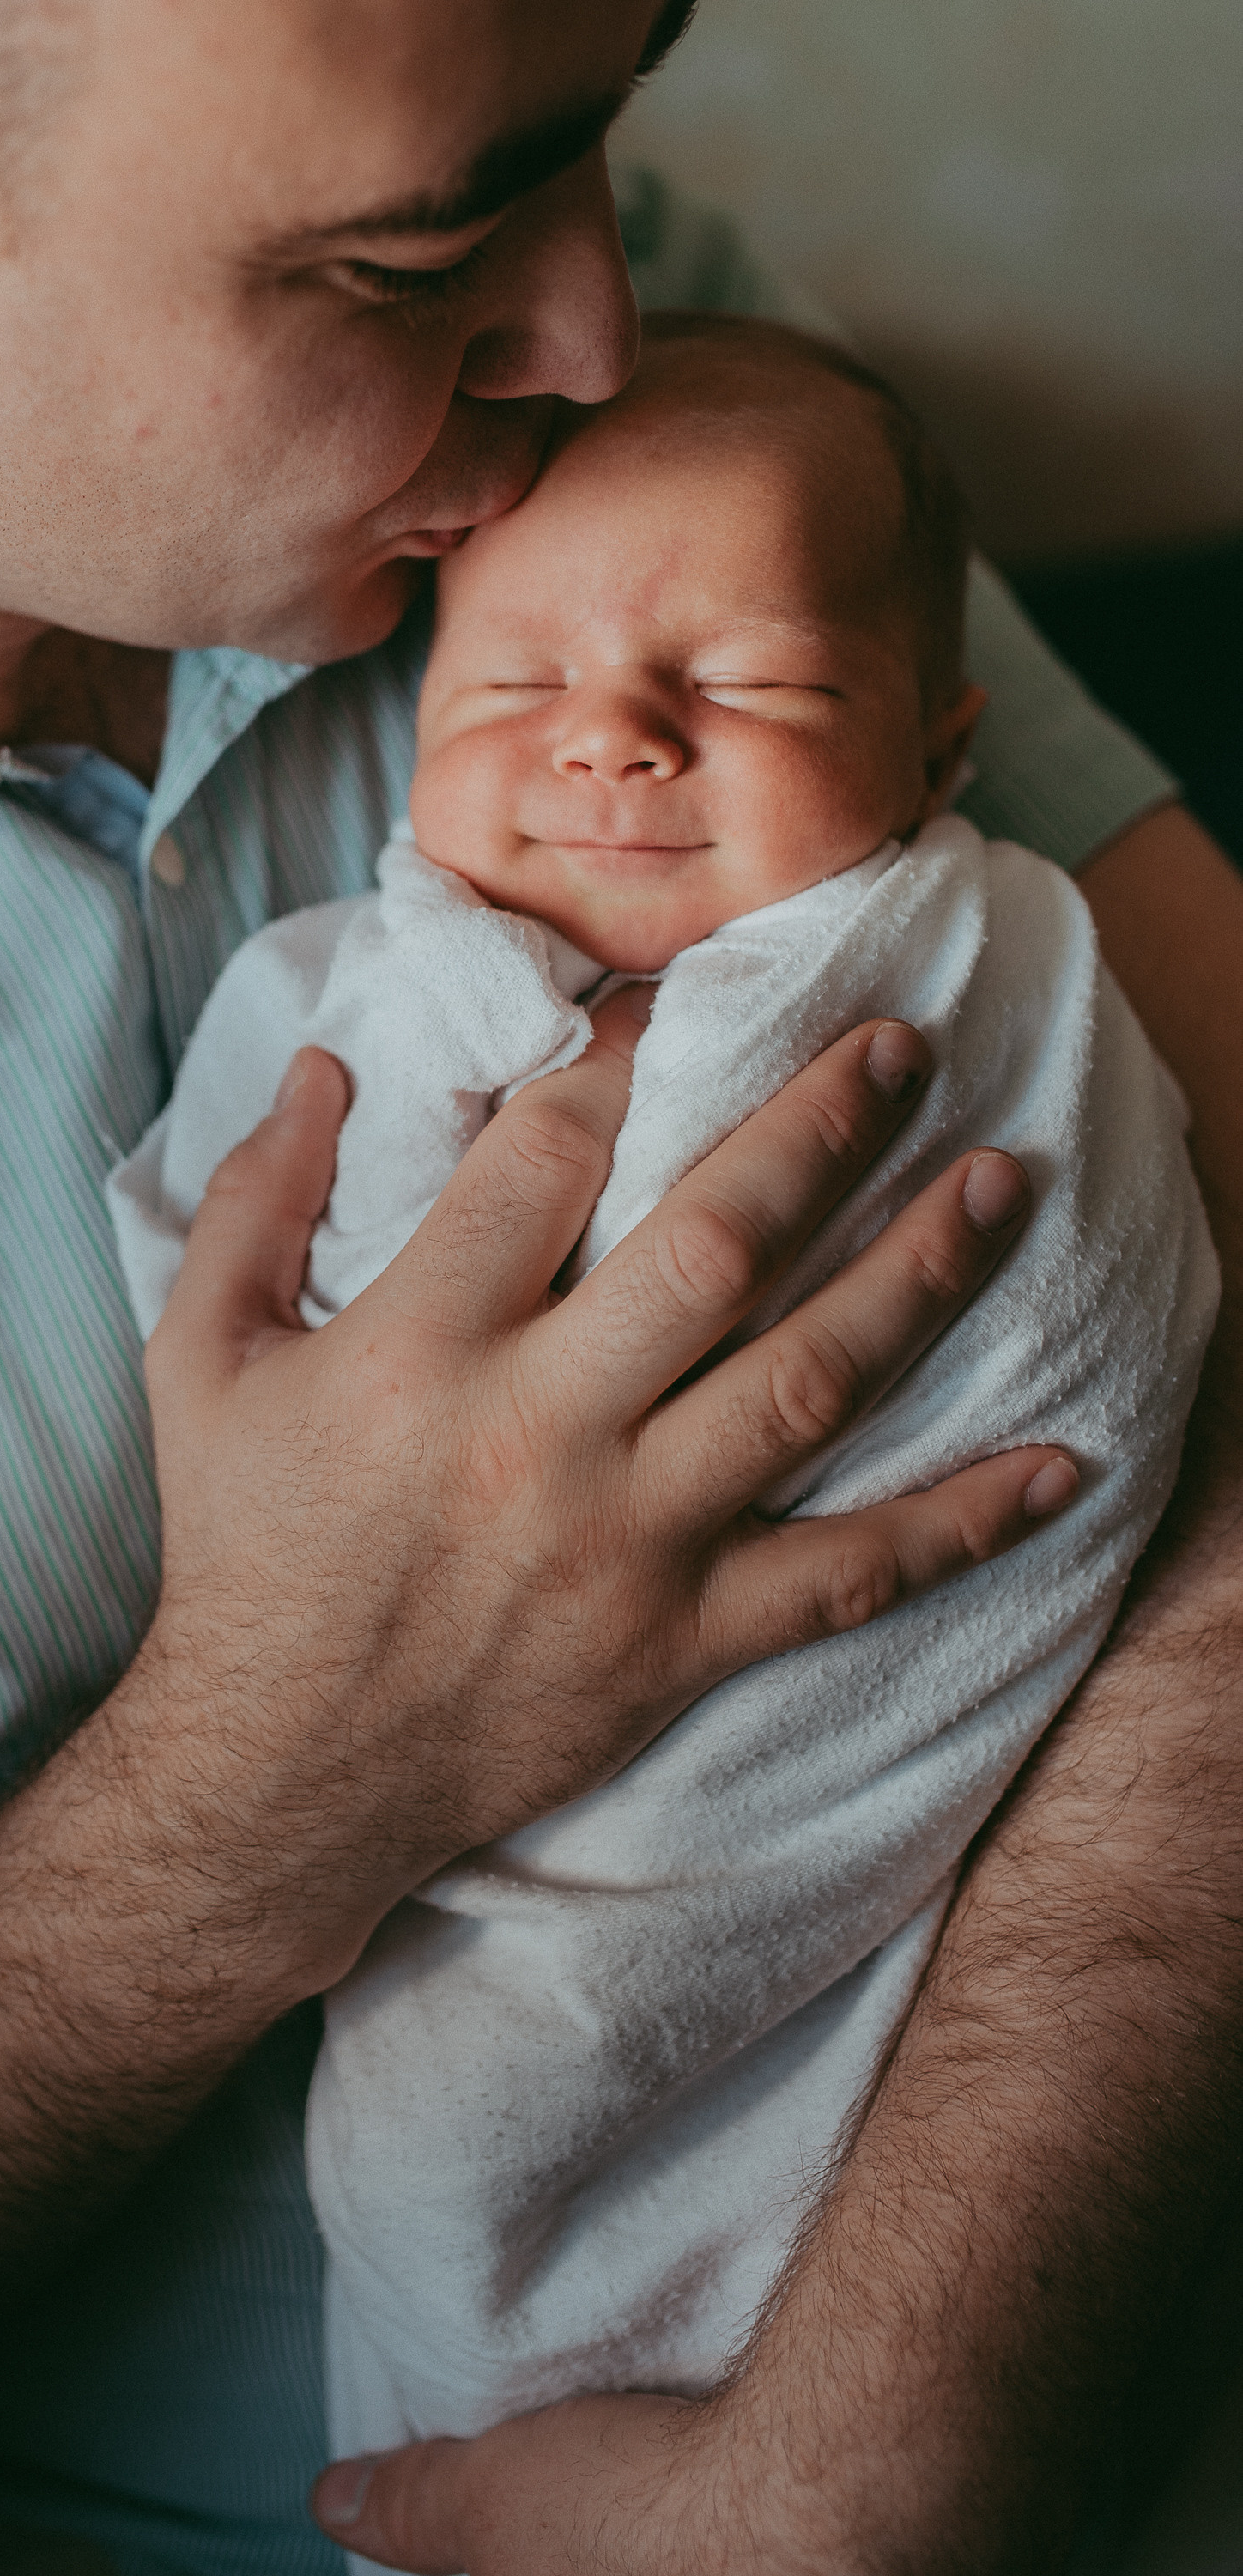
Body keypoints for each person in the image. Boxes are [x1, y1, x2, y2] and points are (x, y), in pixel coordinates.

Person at [0, 3, 1236, 2572]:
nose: (584, 338)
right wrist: (260, 1795)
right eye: (404, 257)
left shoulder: (647, 373)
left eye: (604, 141)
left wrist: (901, 2437)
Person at [105, 313, 1216, 2500]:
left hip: (930, 1798)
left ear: (943, 744)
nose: (610, 743)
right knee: (467, 2132)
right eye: (511, 687)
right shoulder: (354, 984)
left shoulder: (988, 959)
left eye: (755, 690)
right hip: (539, 1896)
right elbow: (215, 1257)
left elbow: (1125, 1265)